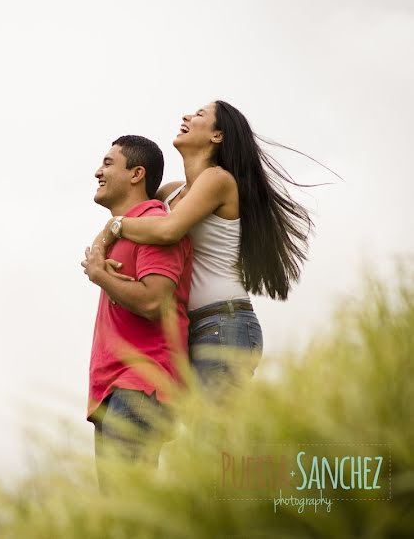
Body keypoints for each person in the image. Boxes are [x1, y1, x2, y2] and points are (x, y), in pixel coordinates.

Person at [97, 100, 313, 395]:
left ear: (217, 136)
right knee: (204, 437)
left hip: (224, 323)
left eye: (199, 115)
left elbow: (167, 231)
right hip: (193, 328)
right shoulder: (169, 192)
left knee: (215, 436)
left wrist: (114, 228)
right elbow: (133, 213)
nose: (186, 116)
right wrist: (101, 253)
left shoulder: (217, 180)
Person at [80, 135, 192, 485]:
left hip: (140, 384)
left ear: (136, 174)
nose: (98, 171)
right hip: (114, 390)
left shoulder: (154, 224)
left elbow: (153, 300)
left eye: (109, 163)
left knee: (128, 509)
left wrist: (100, 275)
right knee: (117, 513)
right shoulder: (125, 232)